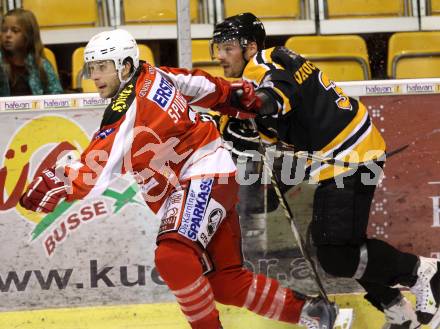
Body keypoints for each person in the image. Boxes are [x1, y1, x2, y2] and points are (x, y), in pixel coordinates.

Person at [19, 28, 337, 329]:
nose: (95, 76)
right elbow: (204, 86)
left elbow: (93, 173)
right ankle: (312, 312)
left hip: (202, 174)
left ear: (125, 65)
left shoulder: (124, 104)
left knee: (172, 255)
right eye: (91, 68)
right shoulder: (153, 73)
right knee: (226, 283)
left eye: (102, 66)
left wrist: (59, 179)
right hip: (212, 175)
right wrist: (238, 98)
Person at [210, 12, 440, 329]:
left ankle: (421, 272)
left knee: (335, 252)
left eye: (226, 47)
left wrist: (255, 106)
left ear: (249, 46)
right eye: (216, 49)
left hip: (351, 153)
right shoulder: (259, 72)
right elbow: (267, 129)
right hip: (341, 156)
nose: (220, 56)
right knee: (339, 248)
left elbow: (276, 96)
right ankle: (396, 309)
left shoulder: (264, 61)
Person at [0, 9, 63, 96]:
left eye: (15, 31)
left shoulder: (42, 65)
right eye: (4, 30)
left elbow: (57, 95)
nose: (7, 35)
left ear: (28, 35)